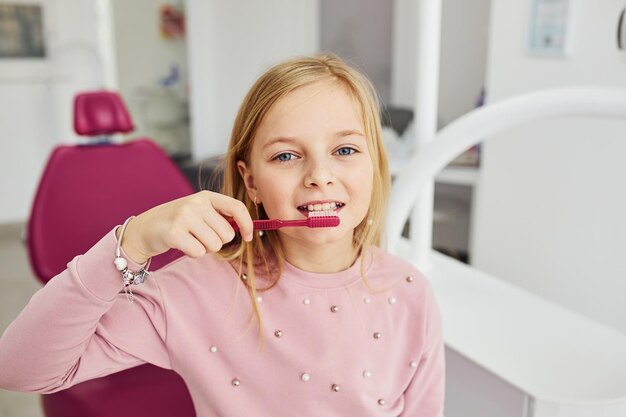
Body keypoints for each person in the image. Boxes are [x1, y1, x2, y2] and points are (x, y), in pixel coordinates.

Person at [0, 53, 444, 416]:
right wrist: (131, 241)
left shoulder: (410, 294)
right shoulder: (198, 289)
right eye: (287, 156)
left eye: (345, 150)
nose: (320, 176)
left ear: (374, 166)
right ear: (250, 182)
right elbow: (19, 370)